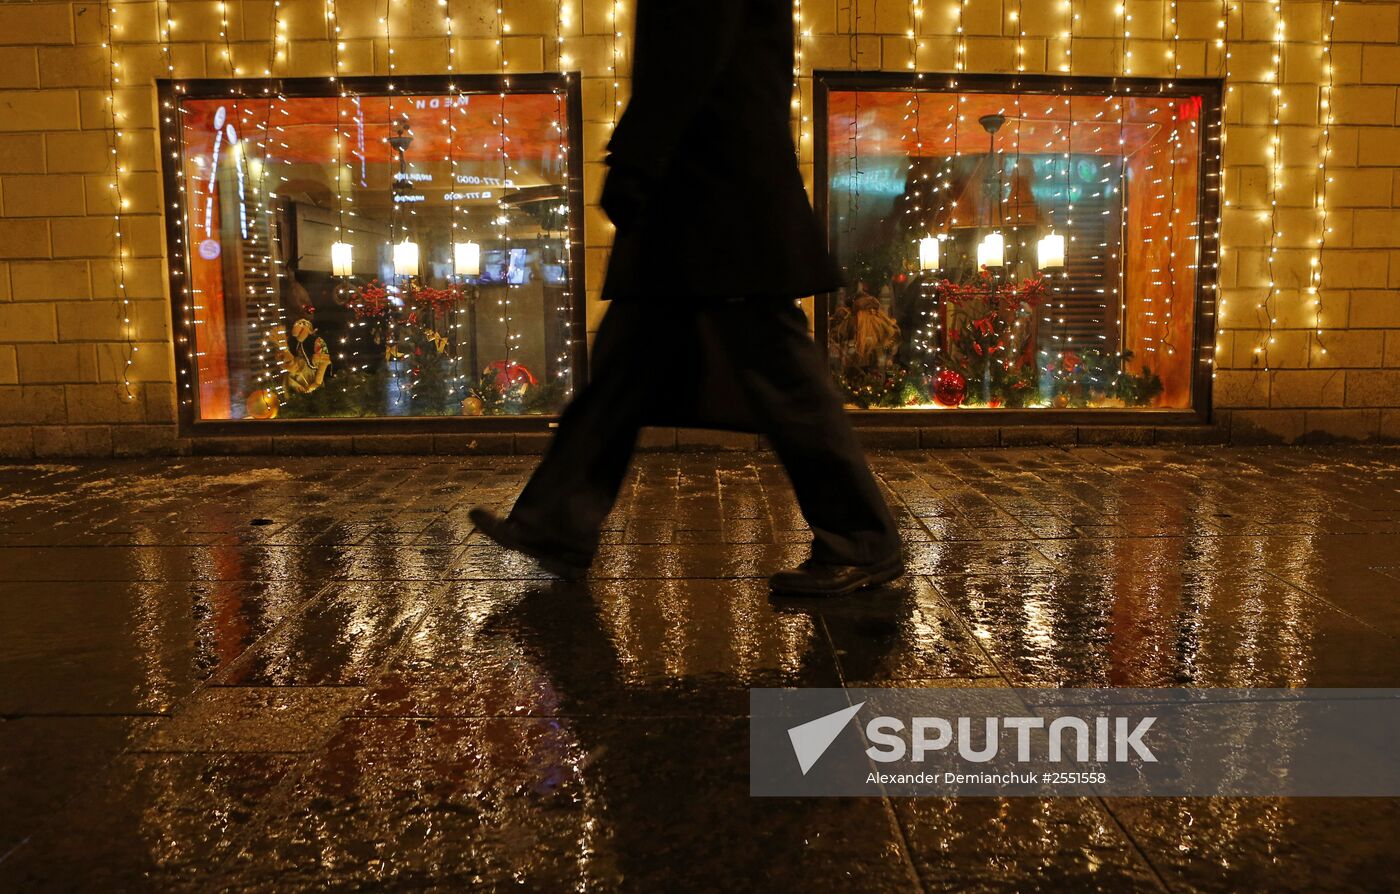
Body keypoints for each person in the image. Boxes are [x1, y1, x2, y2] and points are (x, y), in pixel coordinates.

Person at [469, 0, 902, 596]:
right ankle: (555, 522)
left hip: (713, 194)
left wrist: (635, 160)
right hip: (708, 190)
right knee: (633, 363)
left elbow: (687, 51)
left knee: (771, 367)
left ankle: (863, 539)